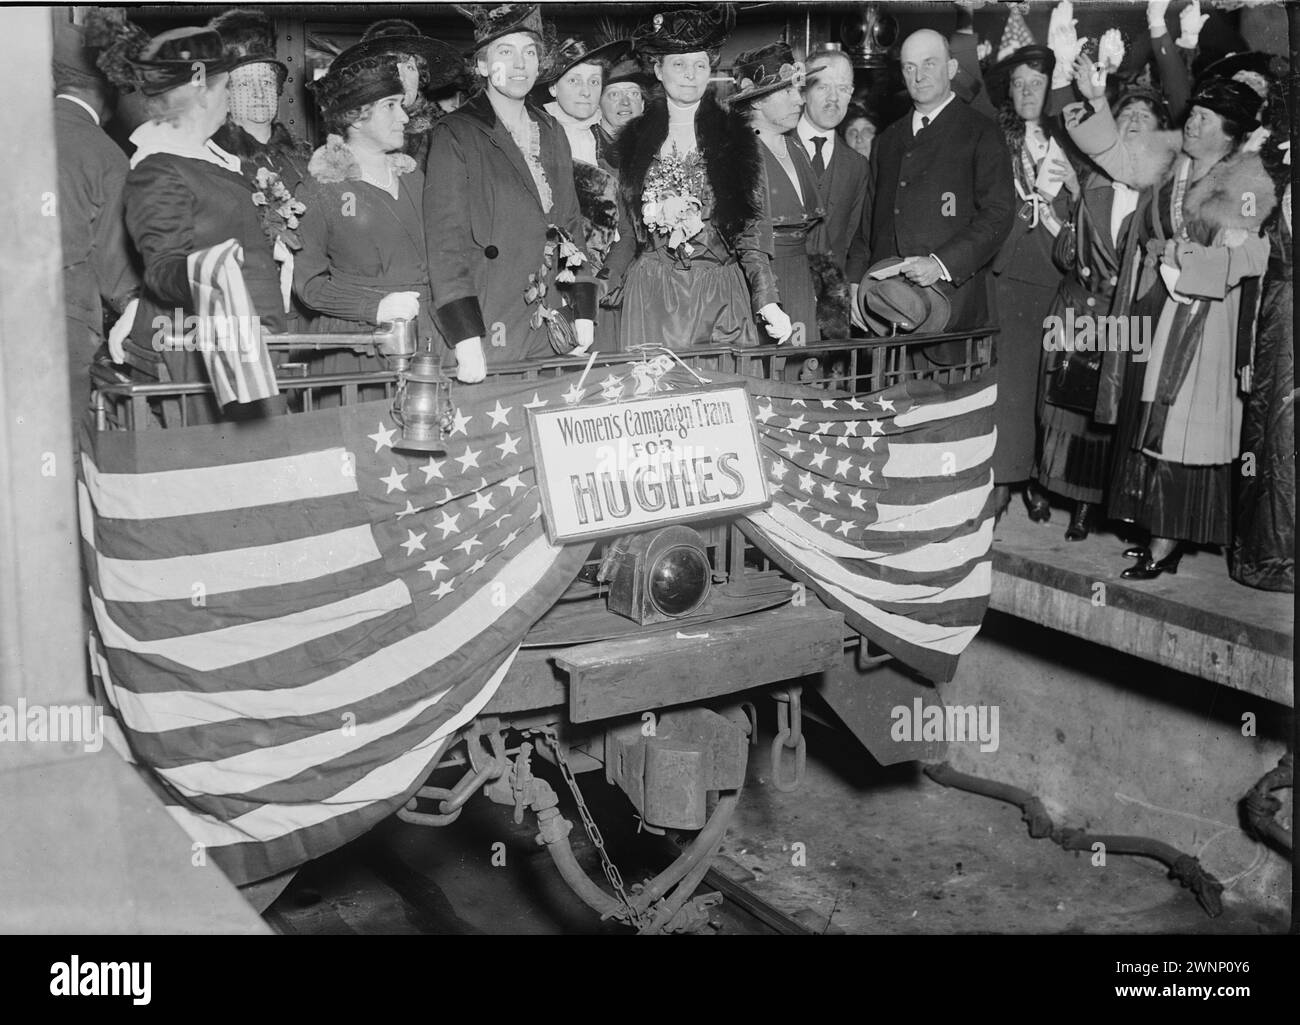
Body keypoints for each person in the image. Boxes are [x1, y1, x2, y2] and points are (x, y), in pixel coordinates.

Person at [1067, 60, 1275, 580]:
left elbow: (1253, 259)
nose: (1194, 122)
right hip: (1149, 307)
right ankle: (1152, 527)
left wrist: (1190, 262)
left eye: (1206, 118)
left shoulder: (1248, 181)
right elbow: (1114, 153)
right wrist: (1094, 97)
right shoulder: (1169, 159)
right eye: (1195, 112)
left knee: (1180, 432)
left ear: (1230, 135)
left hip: (1200, 323)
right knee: (1145, 424)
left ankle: (1167, 540)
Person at [102, 19, 286, 424]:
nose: (230, 97)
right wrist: (216, 278)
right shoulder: (158, 166)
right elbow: (164, 266)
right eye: (226, 85)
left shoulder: (211, 157)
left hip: (244, 343)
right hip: (199, 351)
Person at [425, 4, 597, 381]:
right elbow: (445, 242)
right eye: (506, 52)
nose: (520, 64)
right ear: (483, 66)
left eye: (530, 53)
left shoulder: (551, 130)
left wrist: (583, 306)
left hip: (549, 315)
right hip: (490, 312)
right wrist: (465, 335)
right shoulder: (456, 132)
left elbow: (570, 223)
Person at [604, 6, 790, 350]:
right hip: (652, 298)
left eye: (700, 64)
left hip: (719, 297)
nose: (690, 74)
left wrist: (767, 298)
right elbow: (628, 236)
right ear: (658, 70)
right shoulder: (633, 141)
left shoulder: (738, 139)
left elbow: (752, 233)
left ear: (710, 69)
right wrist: (597, 286)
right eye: (678, 64)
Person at [1035, 85, 1171, 540]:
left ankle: (1085, 505)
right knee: (1059, 405)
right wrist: (1073, 203)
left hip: (1124, 319)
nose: (1133, 121)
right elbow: (1065, 256)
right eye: (1126, 114)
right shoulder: (1090, 179)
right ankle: (1045, 482)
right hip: (1076, 309)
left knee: (1104, 415)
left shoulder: (1162, 194)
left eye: (1144, 117)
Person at [295, 42, 457, 403]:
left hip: (427, 339)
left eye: (401, 104)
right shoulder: (321, 189)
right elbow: (309, 284)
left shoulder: (416, 178)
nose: (404, 117)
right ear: (355, 115)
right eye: (390, 106)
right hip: (359, 351)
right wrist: (375, 307)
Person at [856, 28, 1014, 367]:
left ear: (952, 68)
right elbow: (868, 223)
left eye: (930, 64)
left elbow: (999, 213)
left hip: (953, 314)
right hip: (887, 314)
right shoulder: (888, 139)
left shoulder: (981, 131)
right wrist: (856, 286)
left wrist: (940, 264)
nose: (919, 75)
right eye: (910, 67)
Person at [983, 40, 1077, 519]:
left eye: (1035, 84)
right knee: (1013, 388)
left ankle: (1042, 479)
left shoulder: (1072, 143)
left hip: (1061, 281)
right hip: (1013, 277)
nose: (1025, 91)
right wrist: (1033, 198)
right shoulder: (998, 142)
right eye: (1017, 83)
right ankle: (1005, 478)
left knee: (1052, 388)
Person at [52, 14, 139, 421]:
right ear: (108, 86)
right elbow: (117, 269)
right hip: (64, 320)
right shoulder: (103, 153)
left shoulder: (14, 132)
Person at [1230, 84, 1292, 592]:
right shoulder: (1273, 175)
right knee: (1271, 438)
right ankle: (1267, 557)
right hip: (1277, 325)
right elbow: (1255, 271)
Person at [730, 42, 823, 346]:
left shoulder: (796, 147)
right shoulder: (738, 154)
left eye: (798, 89)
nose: (799, 100)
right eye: (787, 91)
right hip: (760, 281)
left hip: (800, 275)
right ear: (756, 101)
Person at [796, 47, 870, 339]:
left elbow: (854, 240)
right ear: (803, 91)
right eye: (823, 86)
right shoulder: (774, 149)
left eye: (842, 88)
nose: (833, 98)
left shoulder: (857, 166)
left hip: (830, 316)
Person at [346, 19, 462, 168]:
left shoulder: (447, 132)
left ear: (421, 76)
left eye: (410, 68)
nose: (401, 78)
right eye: (391, 66)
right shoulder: (355, 128)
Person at [593, 52, 647, 164]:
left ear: (642, 104)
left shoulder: (656, 150)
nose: (625, 102)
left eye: (633, 93)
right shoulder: (586, 150)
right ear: (598, 105)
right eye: (614, 94)